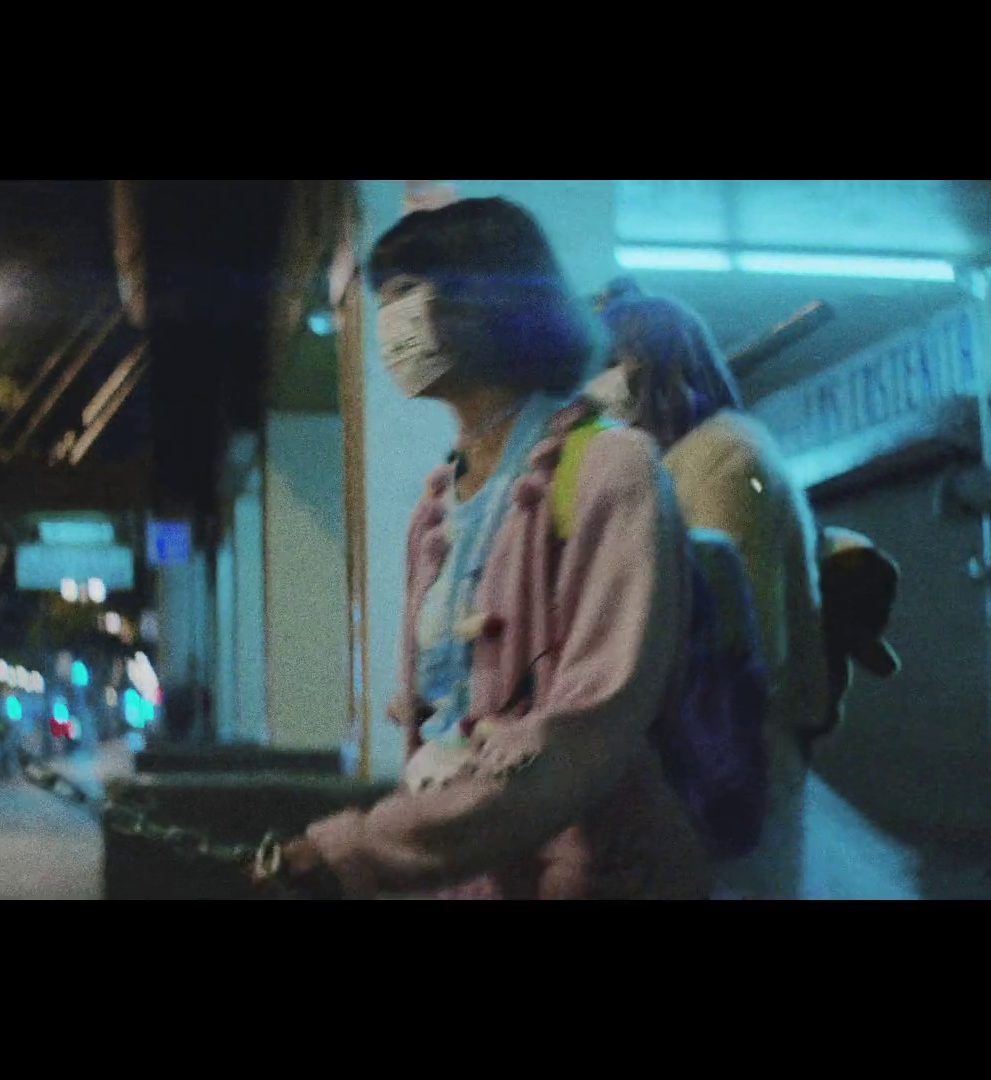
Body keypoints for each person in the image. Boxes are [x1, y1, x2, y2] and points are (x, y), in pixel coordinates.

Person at [254, 198, 707, 900]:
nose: (389, 322)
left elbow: (590, 725)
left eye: (408, 291)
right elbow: (443, 722)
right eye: (383, 298)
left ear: (490, 300)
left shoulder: (610, 469)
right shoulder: (438, 505)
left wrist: (359, 850)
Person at [589, 281, 916, 900]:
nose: (597, 387)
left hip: (724, 756)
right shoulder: (674, 461)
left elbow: (738, 635)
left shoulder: (726, 459)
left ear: (669, 368)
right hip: (696, 755)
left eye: (611, 364)